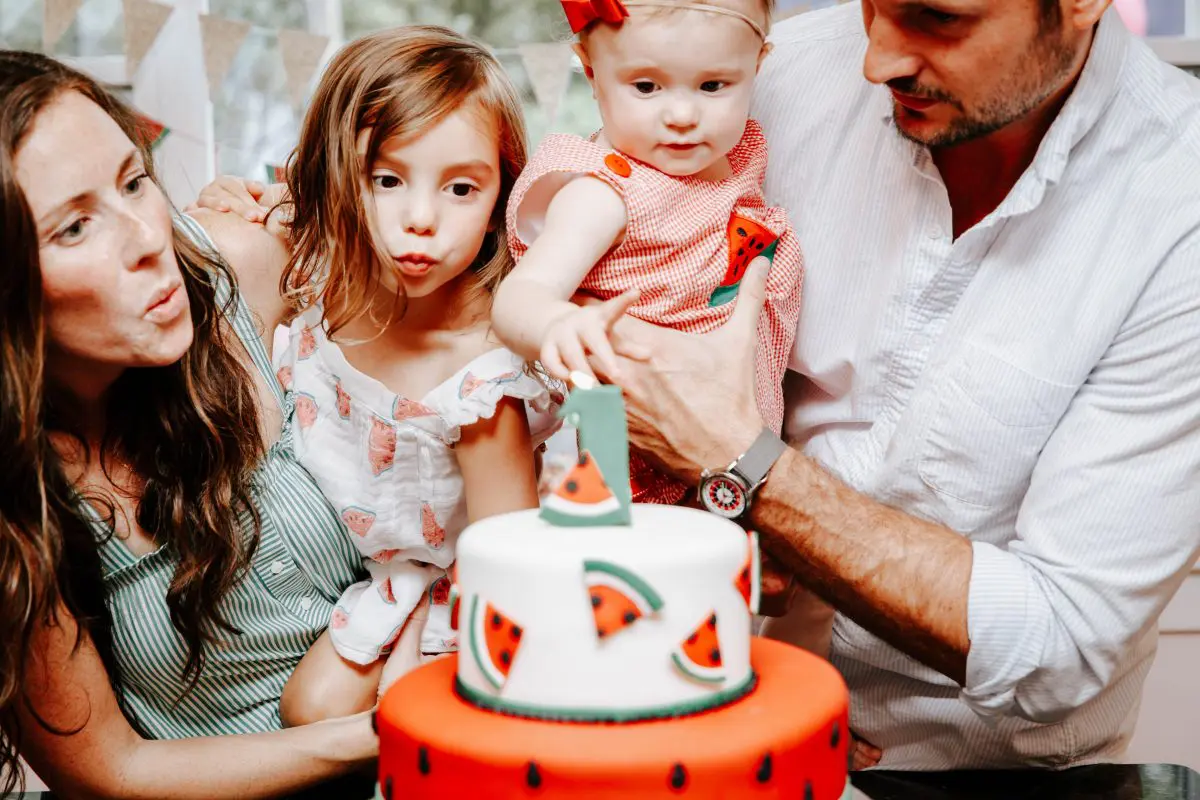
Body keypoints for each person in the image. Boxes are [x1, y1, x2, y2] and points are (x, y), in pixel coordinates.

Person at [601, 0, 1200, 771]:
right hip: (700, 703)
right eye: (872, 4)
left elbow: (1062, 643)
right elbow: (603, 318)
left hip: (986, 775)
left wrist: (751, 478)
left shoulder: (1181, 206)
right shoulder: (756, 78)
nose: (875, 60)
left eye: (936, 17)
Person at [0, 52, 375, 798]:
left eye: (134, 181)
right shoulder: (17, 506)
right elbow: (110, 769)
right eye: (75, 227)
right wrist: (376, 732)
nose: (149, 238)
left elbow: (434, 244)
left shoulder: (231, 266)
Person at [239, 27, 561, 725]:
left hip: (455, 591)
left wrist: (421, 662)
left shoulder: (480, 378)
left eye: (461, 188)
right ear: (335, 174)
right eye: (387, 179)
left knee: (314, 713)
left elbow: (508, 565)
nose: (420, 221)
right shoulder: (321, 286)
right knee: (307, 714)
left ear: (504, 192)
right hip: (347, 571)